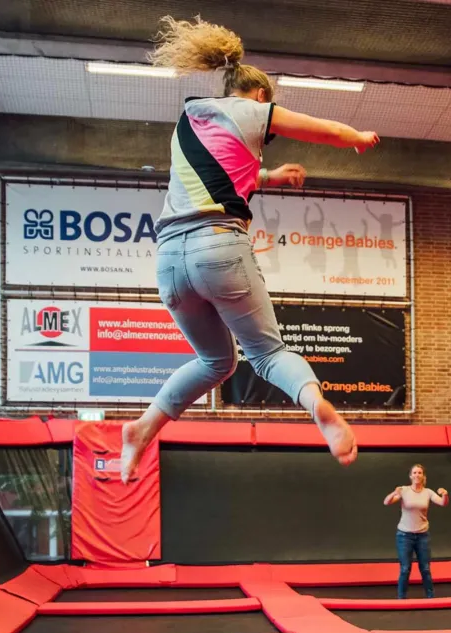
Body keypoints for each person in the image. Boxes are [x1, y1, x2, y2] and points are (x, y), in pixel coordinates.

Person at [120, 15, 380, 483]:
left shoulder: (190, 118)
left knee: (216, 361)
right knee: (265, 354)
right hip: (219, 248)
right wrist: (357, 137)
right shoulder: (255, 110)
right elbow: (320, 129)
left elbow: (218, 175)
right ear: (261, 95)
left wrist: (270, 177)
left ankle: (144, 427)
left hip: (170, 262)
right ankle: (317, 406)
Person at [383, 464, 449, 599]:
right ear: (411, 476)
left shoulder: (428, 492)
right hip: (404, 536)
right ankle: (401, 599)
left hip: (422, 536)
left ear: (423, 476)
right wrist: (395, 493)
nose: (417, 475)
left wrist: (445, 494)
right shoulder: (404, 490)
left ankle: (431, 597)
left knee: (425, 569)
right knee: (405, 569)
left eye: (419, 473)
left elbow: (443, 503)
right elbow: (387, 502)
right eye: (414, 473)